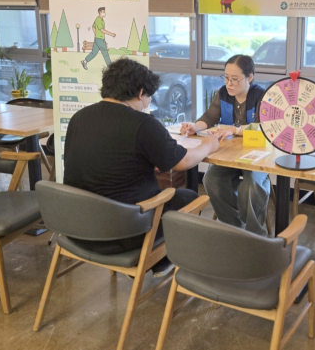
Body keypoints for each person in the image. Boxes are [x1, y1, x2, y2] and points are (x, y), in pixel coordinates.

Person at [64, 58, 220, 277]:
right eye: (149, 97)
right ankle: (157, 258)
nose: (147, 103)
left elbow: (104, 159)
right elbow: (184, 161)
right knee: (189, 198)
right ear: (140, 93)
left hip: (76, 227)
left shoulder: (79, 117)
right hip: (122, 234)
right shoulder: (142, 123)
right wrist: (209, 144)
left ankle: (155, 261)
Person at [180, 55, 269, 236]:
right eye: (226, 78)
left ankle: (255, 235)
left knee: (251, 185)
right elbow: (210, 117)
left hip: (257, 154)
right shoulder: (223, 93)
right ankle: (233, 228)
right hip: (229, 154)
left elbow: (263, 127)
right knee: (211, 179)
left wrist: (234, 130)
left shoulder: (261, 96)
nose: (229, 83)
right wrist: (194, 127)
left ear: (250, 77)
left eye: (235, 79)